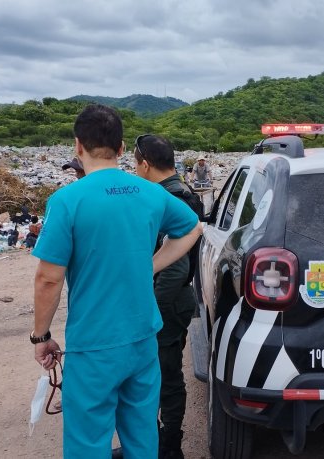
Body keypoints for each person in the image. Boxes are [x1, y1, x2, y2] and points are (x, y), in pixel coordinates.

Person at [31, 104, 202, 458]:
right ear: (122, 148)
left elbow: (49, 278)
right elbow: (193, 228)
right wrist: (150, 266)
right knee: (141, 437)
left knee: (88, 441)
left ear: (78, 146)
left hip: (94, 342)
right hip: (142, 338)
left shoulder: (67, 200)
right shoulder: (152, 193)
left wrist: (42, 336)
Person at [133, 134, 198, 458]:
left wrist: (152, 311)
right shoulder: (177, 192)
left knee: (166, 376)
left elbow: (175, 266)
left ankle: (169, 448)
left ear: (145, 164)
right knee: (157, 374)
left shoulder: (172, 198)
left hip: (168, 300)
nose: (133, 171)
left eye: (134, 164)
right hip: (171, 297)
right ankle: (155, 443)